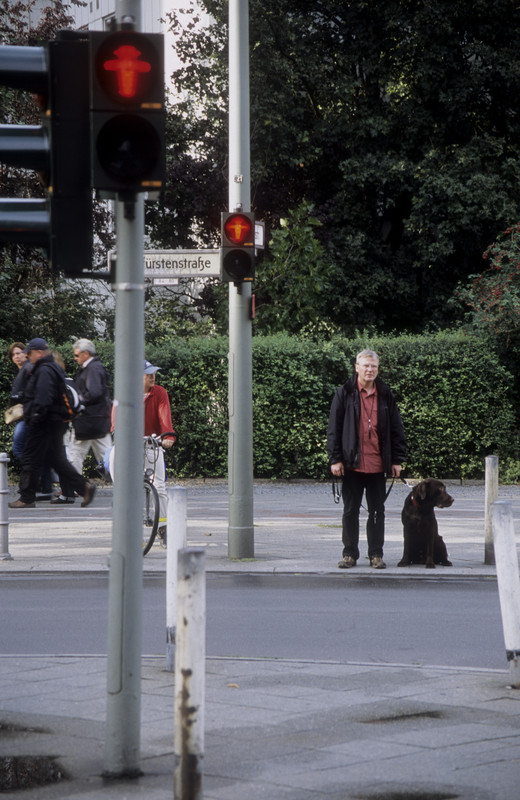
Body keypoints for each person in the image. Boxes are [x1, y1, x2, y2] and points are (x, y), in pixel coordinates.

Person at [327, 349, 406, 569]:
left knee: (377, 512)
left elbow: (396, 429)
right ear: (357, 368)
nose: (370, 370)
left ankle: (376, 555)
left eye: (374, 366)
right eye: (365, 366)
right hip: (351, 465)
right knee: (350, 511)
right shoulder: (344, 393)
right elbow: (334, 429)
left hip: (378, 465)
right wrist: (335, 459)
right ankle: (349, 554)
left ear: (377, 369)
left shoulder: (386, 394)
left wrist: (397, 459)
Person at [8, 338, 97, 510]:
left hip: (44, 422)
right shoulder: (51, 367)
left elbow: (43, 398)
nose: (27, 355)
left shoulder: (44, 370)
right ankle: (84, 487)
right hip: (54, 421)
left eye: (30, 352)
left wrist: (33, 416)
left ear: (39, 352)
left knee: (29, 458)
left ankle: (26, 497)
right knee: (56, 460)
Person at [7, 342, 54, 500]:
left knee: (19, 446)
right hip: (28, 415)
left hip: (30, 415)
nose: (17, 357)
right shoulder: (24, 371)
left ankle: (38, 477)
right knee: (40, 451)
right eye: (14, 354)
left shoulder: (30, 369)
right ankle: (44, 484)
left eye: (19, 353)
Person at [142, 360, 176, 544]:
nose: (152, 376)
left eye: (153, 373)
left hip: (152, 443)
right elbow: (117, 415)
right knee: (126, 488)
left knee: (160, 487)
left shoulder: (160, 392)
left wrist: (168, 436)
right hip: (130, 445)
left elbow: (165, 417)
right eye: (147, 373)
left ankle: (163, 527)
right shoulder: (127, 391)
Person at [68, 339, 112, 476]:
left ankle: (75, 487)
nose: (75, 358)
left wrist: (78, 400)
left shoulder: (92, 369)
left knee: (76, 453)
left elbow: (94, 392)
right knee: (107, 456)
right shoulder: (95, 367)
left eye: (76, 355)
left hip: (88, 419)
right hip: (97, 420)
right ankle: (123, 485)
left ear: (85, 353)